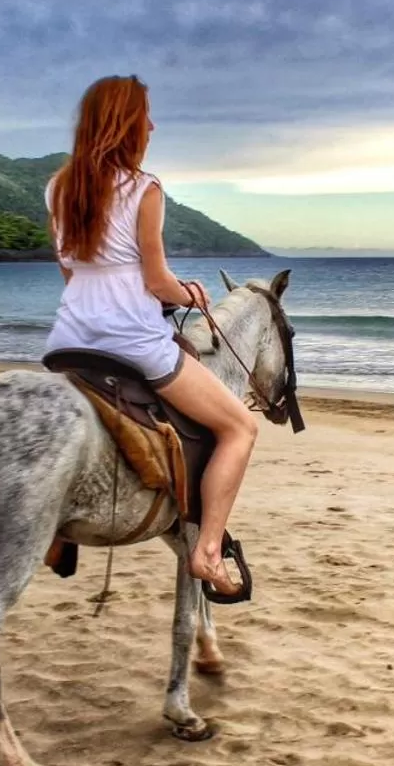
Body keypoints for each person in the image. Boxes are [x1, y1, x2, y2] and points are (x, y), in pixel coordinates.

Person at [44, 74, 257, 597]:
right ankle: (207, 552)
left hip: (70, 336)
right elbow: (154, 281)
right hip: (133, 342)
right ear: (126, 123)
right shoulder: (145, 187)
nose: (153, 125)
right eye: (146, 116)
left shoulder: (58, 186)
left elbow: (72, 273)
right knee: (239, 429)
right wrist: (189, 294)